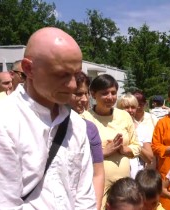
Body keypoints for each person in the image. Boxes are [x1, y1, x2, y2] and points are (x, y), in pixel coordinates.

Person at [0, 27, 96, 208]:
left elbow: (85, 198)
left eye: (76, 74)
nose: (73, 85)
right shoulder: (4, 121)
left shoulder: (77, 124)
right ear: (29, 69)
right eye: (62, 75)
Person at [83, 74, 141, 208]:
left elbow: (136, 146)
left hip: (123, 185)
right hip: (97, 183)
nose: (110, 97)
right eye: (104, 93)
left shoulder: (124, 115)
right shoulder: (84, 119)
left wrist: (124, 149)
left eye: (113, 93)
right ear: (93, 94)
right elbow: (78, 154)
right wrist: (103, 153)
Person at [69, 71, 105, 209]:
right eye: (78, 94)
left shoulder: (89, 128)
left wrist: (95, 206)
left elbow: (98, 173)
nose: (84, 99)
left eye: (86, 94)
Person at [117, 91, 157, 178]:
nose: (130, 110)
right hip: (118, 174)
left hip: (137, 176)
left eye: (133, 107)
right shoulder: (113, 127)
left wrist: (135, 146)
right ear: (119, 108)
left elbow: (149, 158)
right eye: (126, 107)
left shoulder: (142, 129)